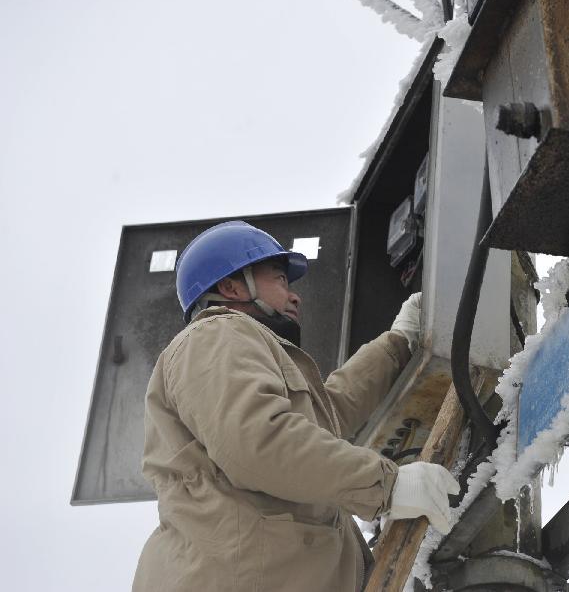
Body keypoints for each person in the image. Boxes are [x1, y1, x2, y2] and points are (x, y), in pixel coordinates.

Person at [133, 221, 459, 592]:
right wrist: (385, 485)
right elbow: (260, 442)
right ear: (232, 286)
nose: (295, 296)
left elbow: (331, 411)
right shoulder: (214, 335)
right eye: (280, 280)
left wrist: (400, 341)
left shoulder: (234, 351)